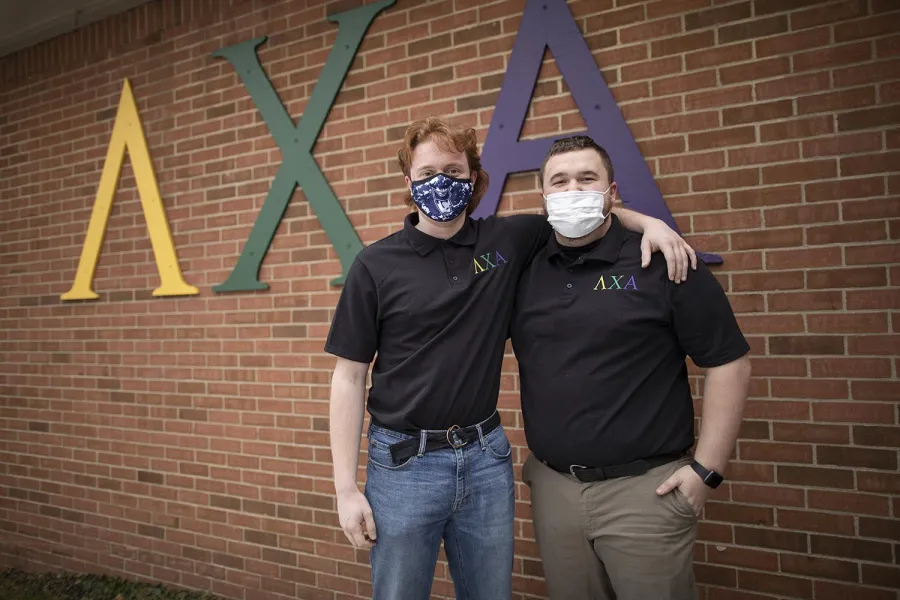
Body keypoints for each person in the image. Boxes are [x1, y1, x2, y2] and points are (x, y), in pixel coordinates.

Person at [324, 118, 696, 600]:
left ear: (474, 178)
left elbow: (582, 212)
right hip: (403, 466)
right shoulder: (374, 264)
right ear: (408, 182)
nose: (442, 181)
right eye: (428, 170)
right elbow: (349, 377)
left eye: (455, 170)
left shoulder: (507, 240)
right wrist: (345, 489)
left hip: (485, 460)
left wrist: (651, 223)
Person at [511, 134, 752, 600]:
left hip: (647, 493)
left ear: (611, 191)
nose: (573, 190)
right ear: (543, 198)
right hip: (554, 490)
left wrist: (707, 471)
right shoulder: (526, 266)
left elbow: (730, 363)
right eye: (558, 182)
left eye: (587, 179)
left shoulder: (664, 261)